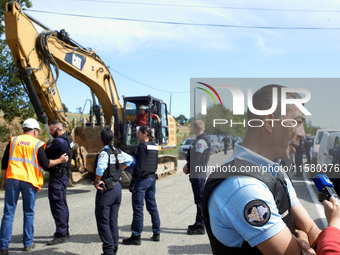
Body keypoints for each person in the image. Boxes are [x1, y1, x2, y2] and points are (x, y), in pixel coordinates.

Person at [202, 85, 321, 254]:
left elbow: (309, 227)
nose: (302, 133)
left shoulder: (273, 170)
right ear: (269, 123)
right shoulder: (243, 187)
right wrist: (302, 236)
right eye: (299, 122)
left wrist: (301, 237)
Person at [0, 118, 68, 254]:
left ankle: (3, 246)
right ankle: (28, 244)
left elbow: (4, 161)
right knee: (28, 212)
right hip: (29, 181)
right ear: (35, 131)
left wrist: (4, 179)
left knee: (8, 213)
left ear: (24, 129)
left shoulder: (13, 140)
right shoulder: (38, 144)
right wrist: (60, 160)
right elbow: (45, 163)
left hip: (12, 178)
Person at [94, 128, 134, 255]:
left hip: (107, 189)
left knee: (103, 220)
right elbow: (130, 160)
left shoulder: (104, 153)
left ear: (101, 139)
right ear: (112, 138)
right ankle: (114, 247)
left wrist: (96, 181)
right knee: (113, 220)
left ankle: (108, 250)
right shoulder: (118, 151)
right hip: (117, 188)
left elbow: (100, 168)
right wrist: (119, 169)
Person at [123, 126, 161, 245]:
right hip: (151, 179)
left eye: (138, 133)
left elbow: (138, 167)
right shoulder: (154, 146)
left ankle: (136, 236)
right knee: (152, 206)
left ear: (145, 134)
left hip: (142, 181)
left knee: (138, 209)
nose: (137, 135)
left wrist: (133, 183)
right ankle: (156, 232)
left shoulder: (142, 147)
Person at [44, 120, 73, 245]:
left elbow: (45, 152)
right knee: (62, 203)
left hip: (57, 177)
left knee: (57, 204)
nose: (50, 133)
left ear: (58, 129)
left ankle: (61, 233)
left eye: (51, 130)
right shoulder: (68, 139)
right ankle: (64, 231)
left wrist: (48, 144)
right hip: (63, 175)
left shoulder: (58, 142)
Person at [183, 120, 210, 235]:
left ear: (194, 129)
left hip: (198, 174)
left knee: (199, 200)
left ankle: (200, 226)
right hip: (199, 173)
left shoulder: (201, 142)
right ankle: (198, 222)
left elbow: (197, 158)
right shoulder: (202, 140)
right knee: (198, 200)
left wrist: (188, 166)